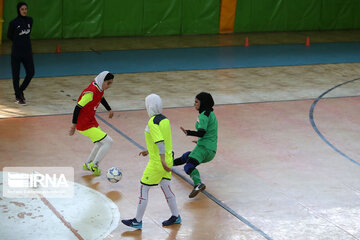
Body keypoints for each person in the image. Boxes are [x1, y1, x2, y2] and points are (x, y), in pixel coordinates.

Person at [121, 94, 181, 229]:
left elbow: (159, 141)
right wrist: (148, 150)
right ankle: (176, 216)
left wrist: (160, 160)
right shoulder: (165, 120)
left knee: (144, 188)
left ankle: (137, 221)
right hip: (168, 159)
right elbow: (161, 140)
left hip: (158, 163)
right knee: (166, 187)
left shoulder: (152, 121)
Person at [69, 71, 114, 176]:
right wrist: (74, 124)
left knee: (99, 143)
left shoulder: (99, 88)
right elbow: (78, 107)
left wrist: (109, 109)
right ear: (102, 81)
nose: (110, 86)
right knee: (108, 142)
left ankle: (88, 164)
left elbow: (101, 97)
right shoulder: (91, 92)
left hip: (90, 120)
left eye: (111, 83)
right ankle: (94, 166)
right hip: (84, 124)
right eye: (108, 83)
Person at [173, 92, 218, 198]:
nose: (195, 104)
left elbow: (202, 132)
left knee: (189, 166)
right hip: (210, 149)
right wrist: (200, 141)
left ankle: (198, 184)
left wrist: (188, 132)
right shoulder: (210, 114)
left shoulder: (203, 116)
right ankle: (169, 164)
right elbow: (211, 132)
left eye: (197, 102)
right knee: (187, 156)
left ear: (203, 103)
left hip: (204, 148)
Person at [7, 2, 34, 105]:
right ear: (18, 10)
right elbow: (9, 36)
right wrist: (18, 42)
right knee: (16, 75)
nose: (24, 11)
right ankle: (18, 97)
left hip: (27, 52)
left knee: (31, 72)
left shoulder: (30, 20)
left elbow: (28, 33)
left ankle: (20, 90)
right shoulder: (13, 23)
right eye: (22, 9)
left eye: (25, 9)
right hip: (16, 53)